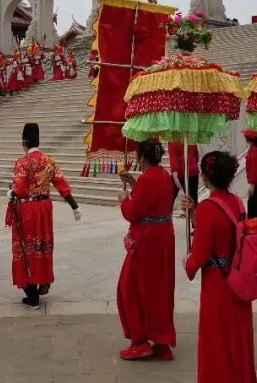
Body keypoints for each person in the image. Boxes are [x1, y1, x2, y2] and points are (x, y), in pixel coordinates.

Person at [181, 151, 256, 383]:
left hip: (217, 283)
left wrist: (188, 262)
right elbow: (223, 231)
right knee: (237, 335)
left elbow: (201, 253)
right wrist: (194, 213)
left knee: (217, 338)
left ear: (205, 176)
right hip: (237, 275)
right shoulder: (237, 202)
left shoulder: (208, 207)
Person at [8, 122, 82, 310]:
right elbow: (62, 184)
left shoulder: (22, 162)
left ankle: (32, 293)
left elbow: (20, 189)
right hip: (44, 208)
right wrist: (74, 207)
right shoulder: (49, 161)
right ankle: (43, 279)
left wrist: (11, 193)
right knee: (42, 245)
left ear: (24, 143)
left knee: (26, 247)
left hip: (28, 209)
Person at [116, 139, 176, 361]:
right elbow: (153, 201)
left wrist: (124, 200)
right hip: (164, 236)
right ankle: (161, 340)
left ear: (142, 157)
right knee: (159, 288)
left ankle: (139, 341)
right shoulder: (165, 176)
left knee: (131, 288)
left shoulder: (147, 178)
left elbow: (133, 212)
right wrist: (134, 184)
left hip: (147, 239)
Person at [168, 140, 199, 218]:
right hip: (192, 170)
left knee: (169, 199)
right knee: (193, 200)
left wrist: (174, 171)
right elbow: (196, 154)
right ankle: (196, 223)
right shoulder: (191, 138)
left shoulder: (174, 139)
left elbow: (173, 155)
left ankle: (165, 219)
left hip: (180, 171)